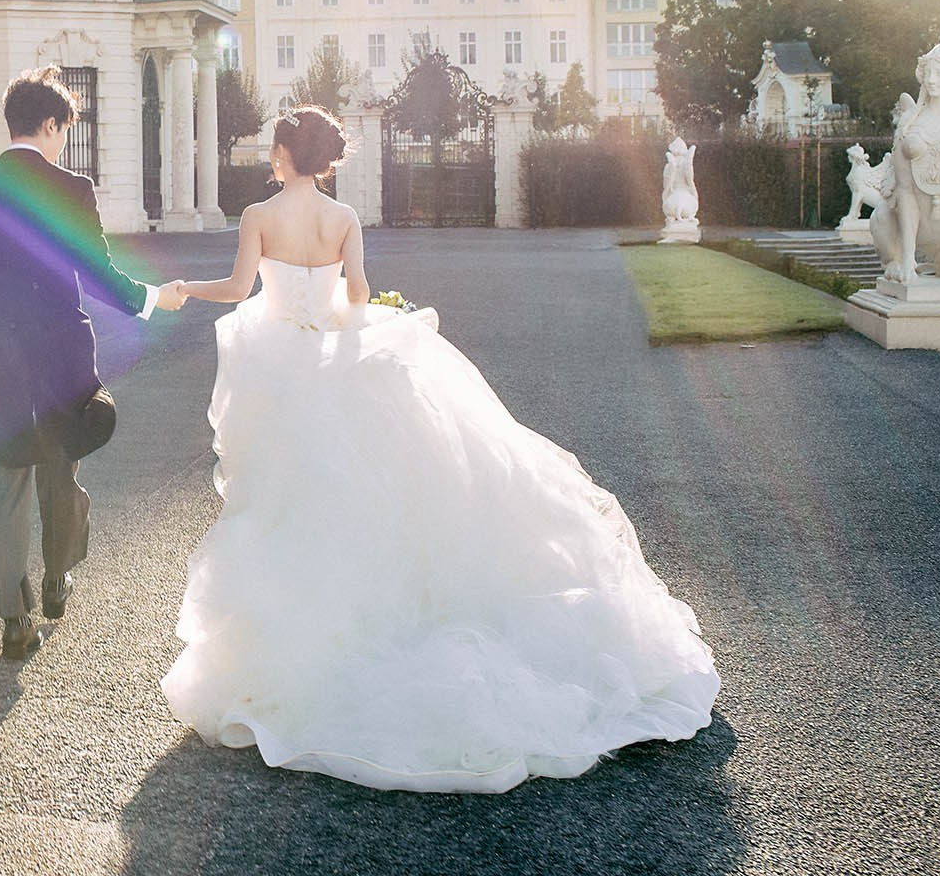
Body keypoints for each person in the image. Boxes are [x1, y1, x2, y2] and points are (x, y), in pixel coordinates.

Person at [158, 105, 719, 792]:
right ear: (325, 160)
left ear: (281, 153)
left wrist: (186, 288)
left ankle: (302, 631)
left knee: (290, 498)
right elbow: (357, 294)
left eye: (274, 148)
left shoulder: (257, 216)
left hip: (279, 366)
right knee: (361, 488)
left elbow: (240, 290)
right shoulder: (342, 219)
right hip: (330, 356)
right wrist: (353, 319)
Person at [0, 67, 186, 660]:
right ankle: (58, 574)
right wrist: (153, 298)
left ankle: (14, 618)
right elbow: (97, 273)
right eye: (61, 131)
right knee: (60, 466)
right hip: (61, 358)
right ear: (48, 124)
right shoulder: (72, 189)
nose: (61, 142)